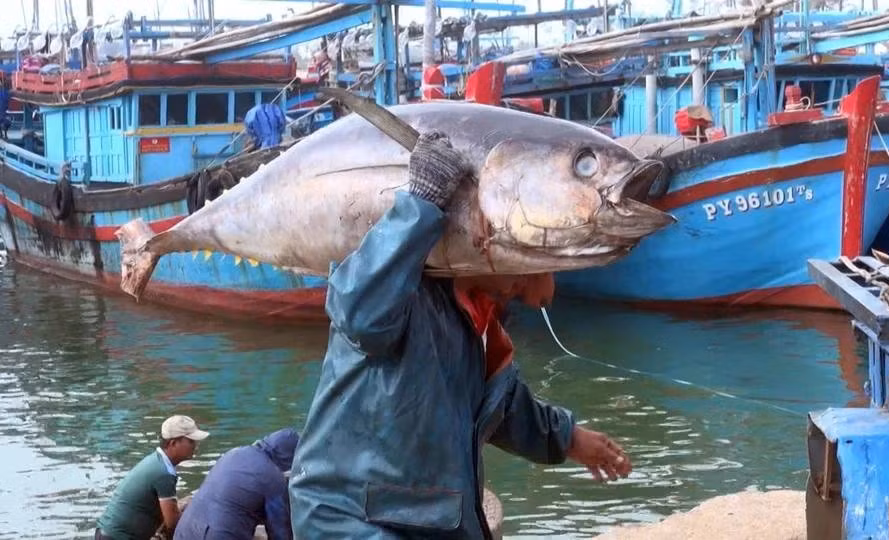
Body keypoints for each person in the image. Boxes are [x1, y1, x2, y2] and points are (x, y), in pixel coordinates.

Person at [289, 132, 633, 538]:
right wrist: (421, 203)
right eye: (521, 277)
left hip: (429, 522)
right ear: (484, 233)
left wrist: (570, 438)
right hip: (354, 522)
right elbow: (359, 313)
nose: (517, 292)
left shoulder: (480, 325)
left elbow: (503, 408)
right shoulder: (408, 292)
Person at [95, 415, 210, 540]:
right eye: (191, 441)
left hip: (106, 532)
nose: (196, 446)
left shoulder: (156, 461)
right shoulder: (164, 473)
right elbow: (173, 524)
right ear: (173, 443)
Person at [174, 428, 300, 540]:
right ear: (290, 456)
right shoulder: (273, 477)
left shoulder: (233, 453)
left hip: (184, 532)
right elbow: (279, 531)